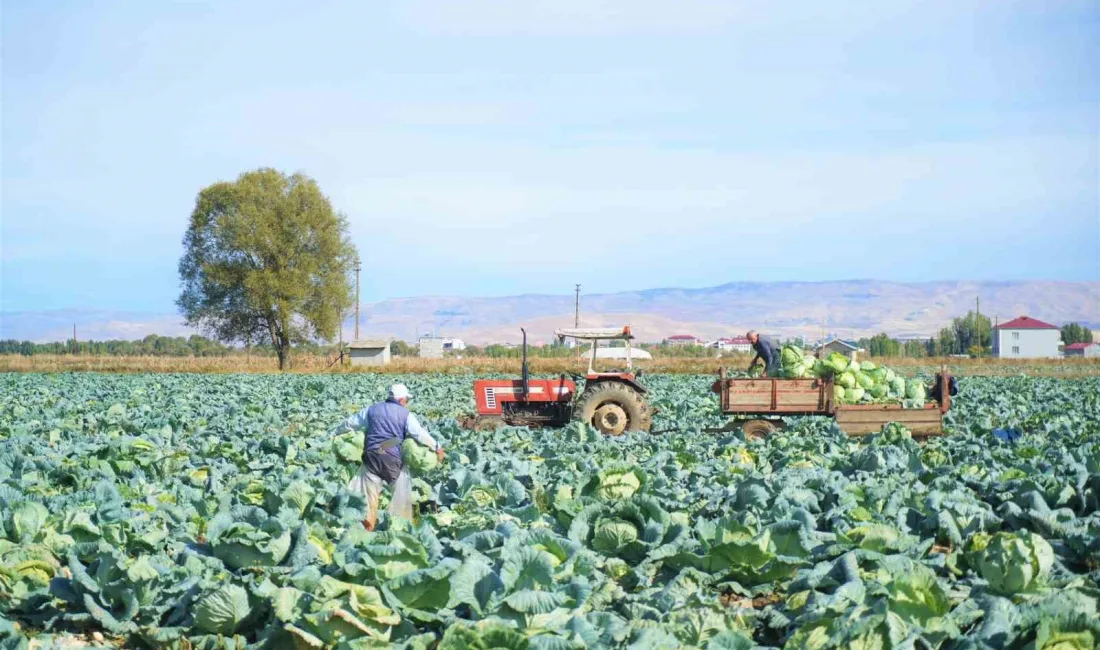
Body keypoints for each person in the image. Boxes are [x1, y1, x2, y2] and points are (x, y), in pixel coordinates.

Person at [331, 383, 444, 530]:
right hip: (392, 458)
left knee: (368, 495)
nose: (406, 403)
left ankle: (367, 527)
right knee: (401, 492)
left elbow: (350, 423)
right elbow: (419, 433)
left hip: (372, 455)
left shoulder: (372, 410)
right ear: (402, 400)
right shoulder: (405, 414)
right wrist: (437, 447)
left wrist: (336, 433)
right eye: (406, 400)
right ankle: (399, 527)